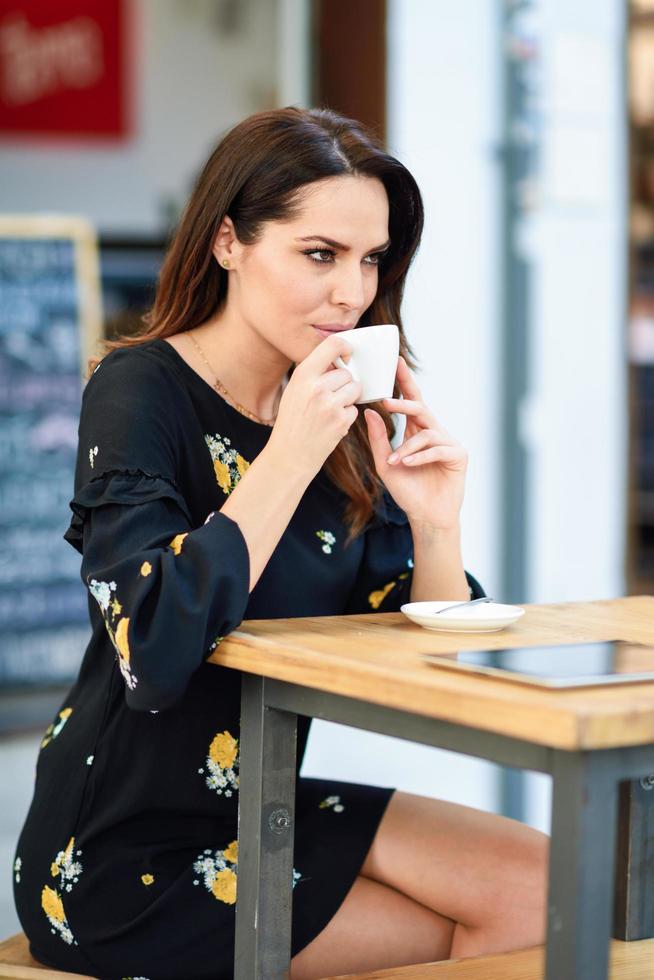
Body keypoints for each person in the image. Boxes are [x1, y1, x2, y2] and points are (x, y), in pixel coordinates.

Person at [14, 106, 548, 980]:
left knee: (539, 885)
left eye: (371, 259)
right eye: (319, 254)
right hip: (117, 854)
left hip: (256, 802)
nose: (353, 293)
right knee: (512, 923)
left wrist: (433, 518)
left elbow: (428, 652)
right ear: (228, 242)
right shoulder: (141, 390)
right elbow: (152, 644)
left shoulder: (335, 416)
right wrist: (289, 453)